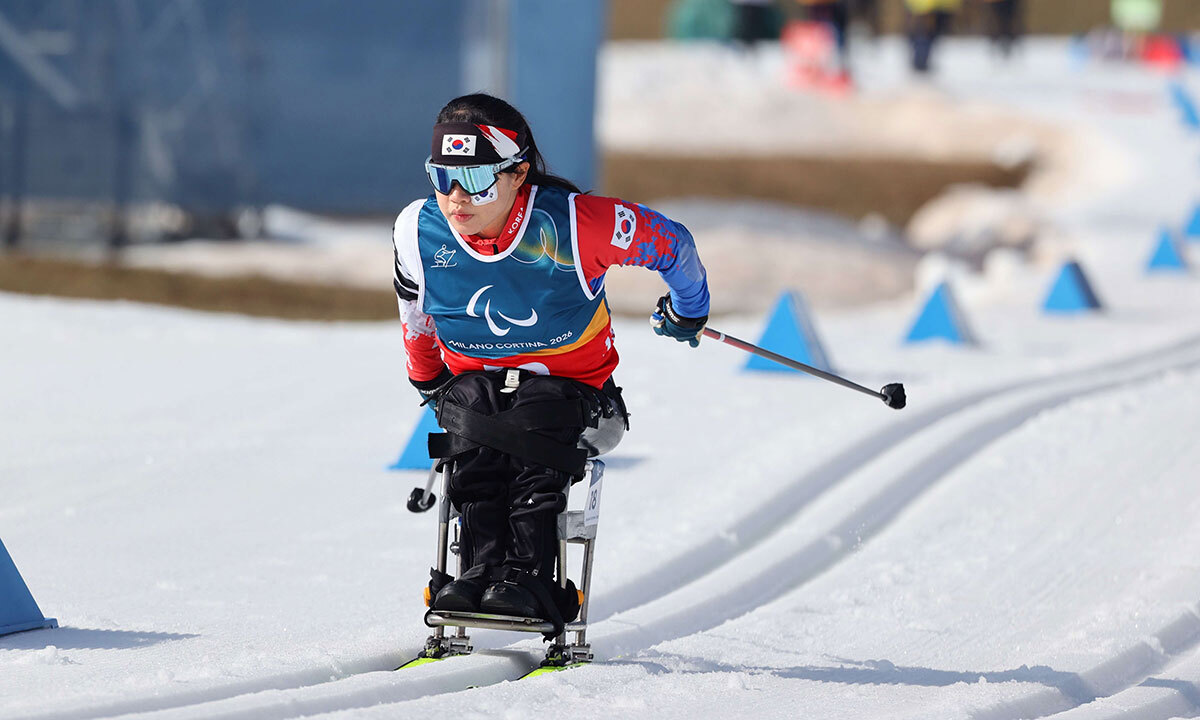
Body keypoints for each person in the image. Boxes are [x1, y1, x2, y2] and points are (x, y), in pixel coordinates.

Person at [391, 94, 711, 628]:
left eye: (473, 181)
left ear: (517, 174)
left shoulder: (576, 224)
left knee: (531, 408)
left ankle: (531, 578)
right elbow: (414, 313)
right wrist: (426, 379)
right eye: (440, 177)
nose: (454, 199)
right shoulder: (416, 230)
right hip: (479, 395)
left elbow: (673, 245)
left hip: (580, 400)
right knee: (472, 403)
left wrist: (688, 309)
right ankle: (477, 573)